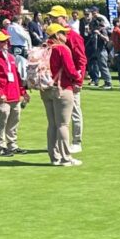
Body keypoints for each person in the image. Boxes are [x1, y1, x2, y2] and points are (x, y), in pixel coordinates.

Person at [0, 29, 30, 156]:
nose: (6, 42)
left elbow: (16, 76)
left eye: (6, 40)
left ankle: (12, 144)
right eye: (2, 40)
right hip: (2, 96)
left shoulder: (10, 56)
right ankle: (1, 146)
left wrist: (23, 92)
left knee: (14, 120)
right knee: (1, 120)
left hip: (14, 93)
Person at [40, 23, 81, 166]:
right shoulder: (62, 49)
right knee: (63, 125)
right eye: (63, 33)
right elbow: (70, 70)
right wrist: (78, 78)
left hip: (45, 89)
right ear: (57, 35)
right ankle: (65, 158)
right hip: (61, 88)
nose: (65, 36)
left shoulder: (44, 48)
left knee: (52, 124)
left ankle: (54, 157)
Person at [48, 5, 87, 153]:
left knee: (75, 110)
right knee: (58, 114)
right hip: (57, 81)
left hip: (71, 79)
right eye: (51, 17)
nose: (52, 19)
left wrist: (79, 81)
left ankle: (76, 140)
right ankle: (61, 142)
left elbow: (81, 59)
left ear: (64, 18)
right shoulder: (53, 35)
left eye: (55, 17)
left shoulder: (73, 36)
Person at [7, 15, 31, 80]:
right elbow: (25, 37)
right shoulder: (17, 27)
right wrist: (26, 34)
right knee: (23, 63)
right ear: (18, 20)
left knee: (17, 63)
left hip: (13, 46)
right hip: (21, 46)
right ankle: (23, 79)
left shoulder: (9, 27)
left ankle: (18, 77)